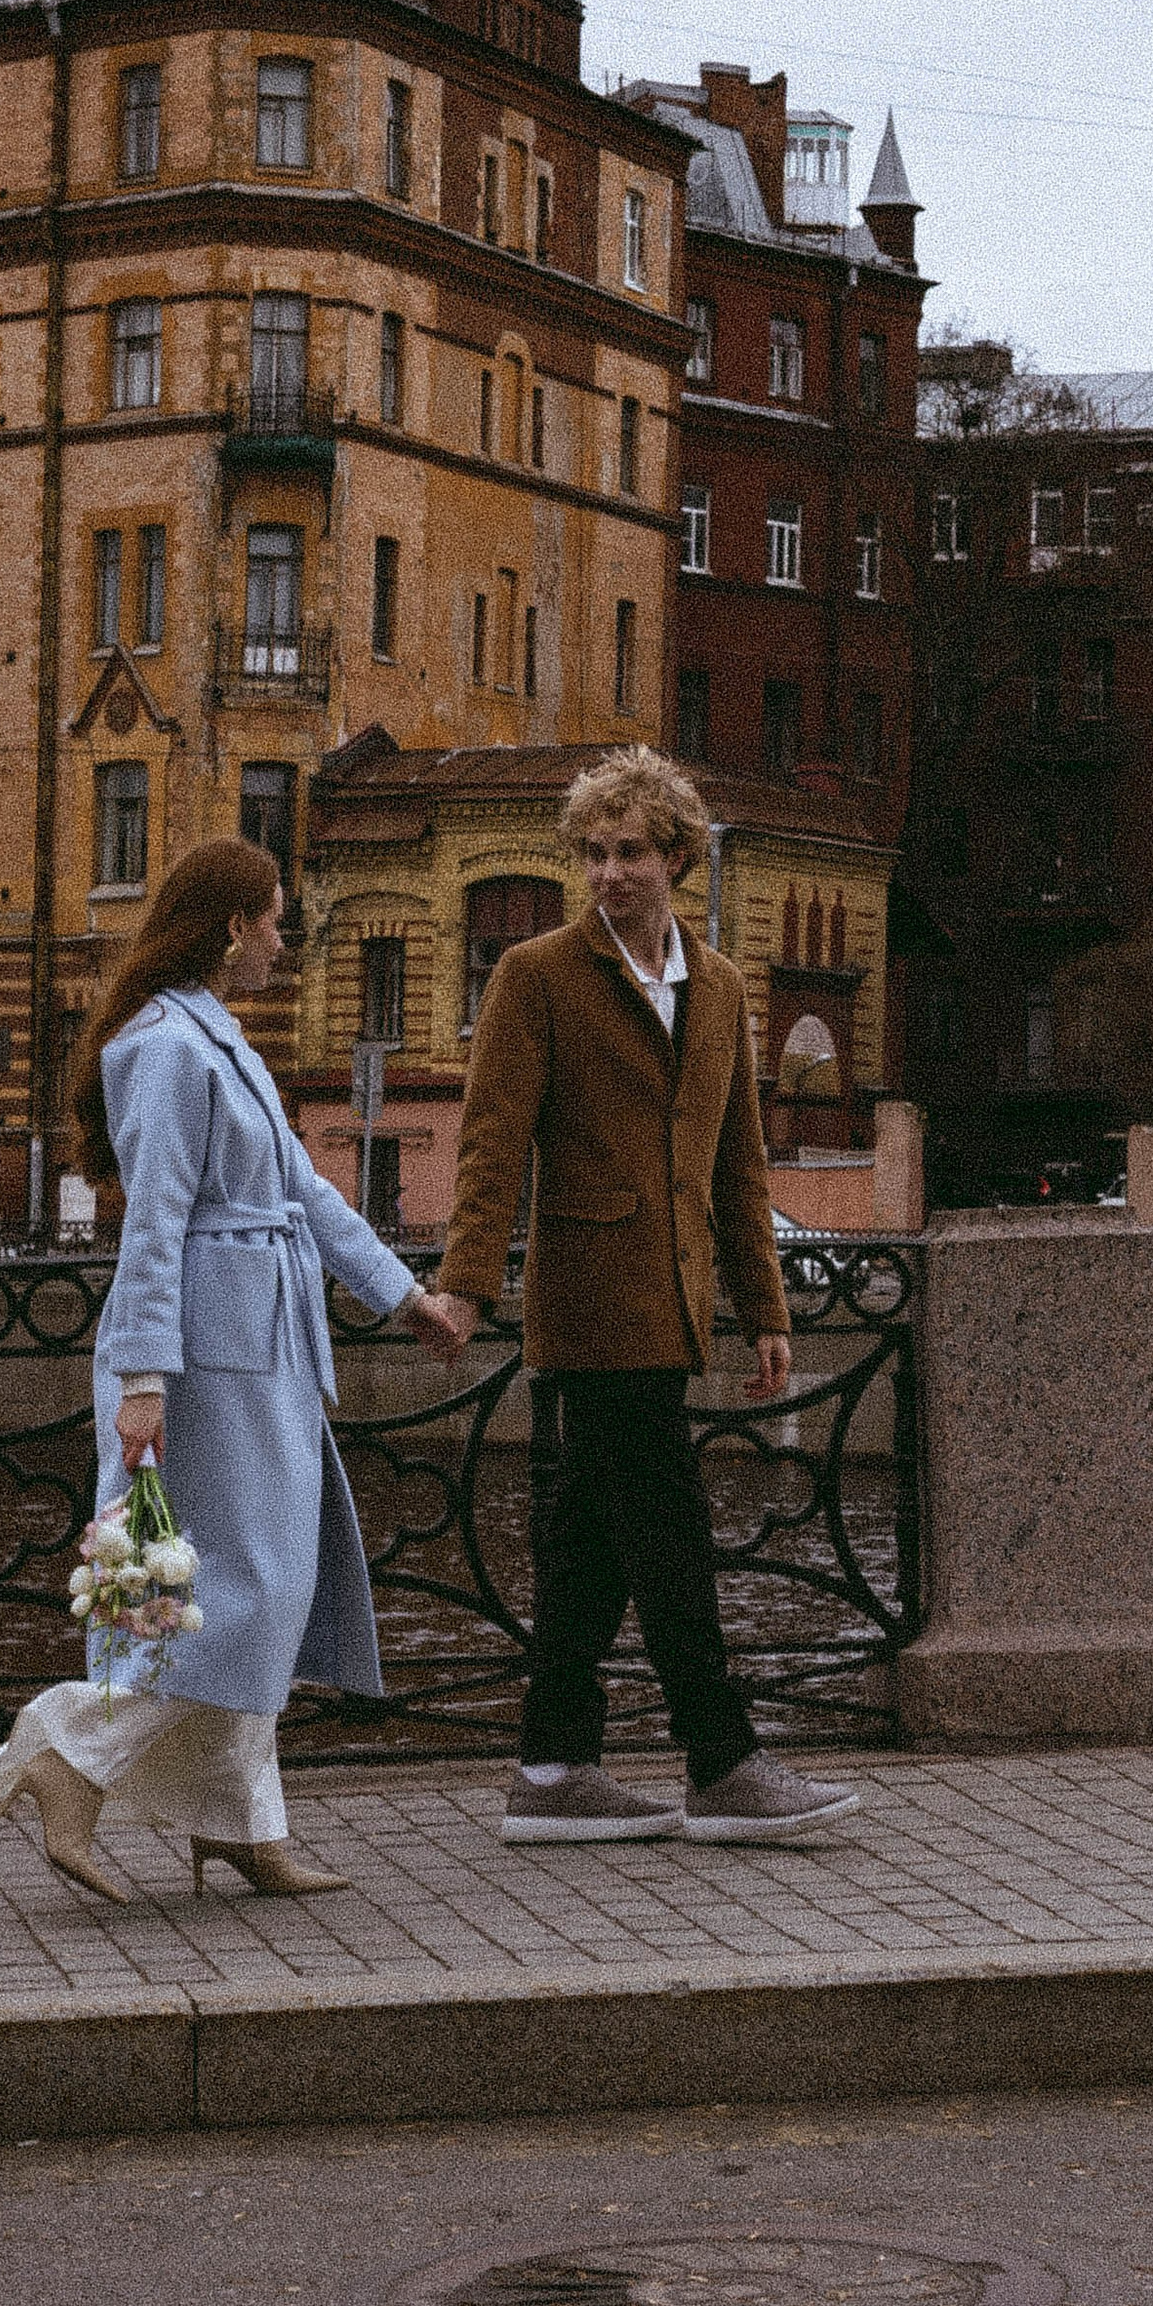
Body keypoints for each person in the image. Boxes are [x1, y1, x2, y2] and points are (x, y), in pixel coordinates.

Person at [0, 837, 456, 1902]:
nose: (283, 945)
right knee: (230, 1595)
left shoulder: (213, 1037)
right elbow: (151, 1220)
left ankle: (239, 1824)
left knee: (258, 1592)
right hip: (208, 1355)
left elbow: (305, 1190)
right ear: (233, 924)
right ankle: (69, 1760)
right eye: (276, 922)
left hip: (255, 1344)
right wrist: (145, 1375)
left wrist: (401, 1294)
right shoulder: (165, 1046)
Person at [420, 746, 860, 1847]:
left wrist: (765, 1311)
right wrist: (467, 1286)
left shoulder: (716, 986)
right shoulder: (538, 975)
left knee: (589, 1542)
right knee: (666, 1528)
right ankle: (720, 1760)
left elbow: (736, 1165)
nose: (609, 873)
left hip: (675, 1302)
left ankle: (553, 1767)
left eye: (630, 853)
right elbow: (491, 1146)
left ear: (677, 858)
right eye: (594, 853)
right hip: (590, 1299)